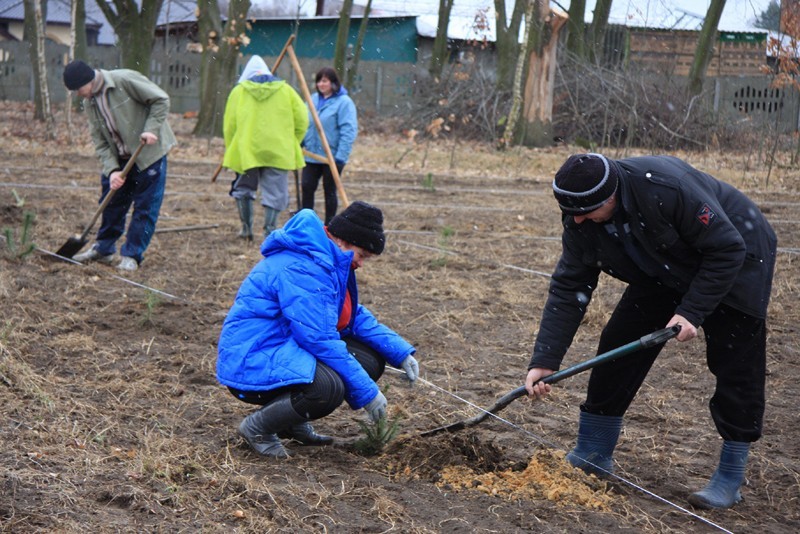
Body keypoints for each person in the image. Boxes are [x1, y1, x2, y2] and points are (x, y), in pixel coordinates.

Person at [524, 153, 777, 510]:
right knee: (619, 344)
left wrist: (691, 311)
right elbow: (569, 288)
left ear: (611, 197)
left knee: (735, 362)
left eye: (586, 210)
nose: (577, 219)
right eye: (571, 212)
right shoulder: (580, 218)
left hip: (736, 255)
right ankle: (593, 452)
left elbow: (726, 247)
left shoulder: (665, 188)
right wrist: (545, 359)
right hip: (663, 264)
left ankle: (730, 476)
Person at [216, 201, 419, 458]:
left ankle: (290, 421)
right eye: (363, 255)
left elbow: (349, 315)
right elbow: (318, 338)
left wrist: (399, 351)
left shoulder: (327, 260)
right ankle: (258, 428)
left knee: (369, 360)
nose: (362, 264)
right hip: (253, 355)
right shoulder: (304, 267)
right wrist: (367, 393)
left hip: (282, 345)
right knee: (327, 388)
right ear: (345, 241)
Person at [63, 59, 176, 271]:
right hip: (120, 157)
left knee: (145, 206)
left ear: (88, 80)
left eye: (78, 89)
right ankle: (104, 249)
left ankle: (132, 255)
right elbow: (100, 142)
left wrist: (151, 128)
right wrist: (112, 170)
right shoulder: (90, 102)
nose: (79, 94)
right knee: (111, 202)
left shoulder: (124, 80)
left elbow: (161, 100)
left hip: (148, 154)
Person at [223, 56, 308, 241]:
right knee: (276, 193)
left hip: (247, 150)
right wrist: (292, 141)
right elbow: (302, 120)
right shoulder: (286, 91)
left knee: (244, 188)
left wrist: (232, 147)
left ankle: (246, 229)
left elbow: (229, 125)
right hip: (278, 150)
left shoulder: (239, 92)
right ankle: (269, 232)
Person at [301, 67, 358, 224]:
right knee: (306, 187)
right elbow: (303, 122)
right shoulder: (312, 99)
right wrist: (301, 140)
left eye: (324, 81)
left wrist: (341, 156)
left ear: (333, 83)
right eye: (319, 81)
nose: (321, 84)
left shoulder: (344, 103)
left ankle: (330, 226)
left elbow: (348, 130)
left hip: (332, 156)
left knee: (330, 191)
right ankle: (306, 223)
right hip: (312, 154)